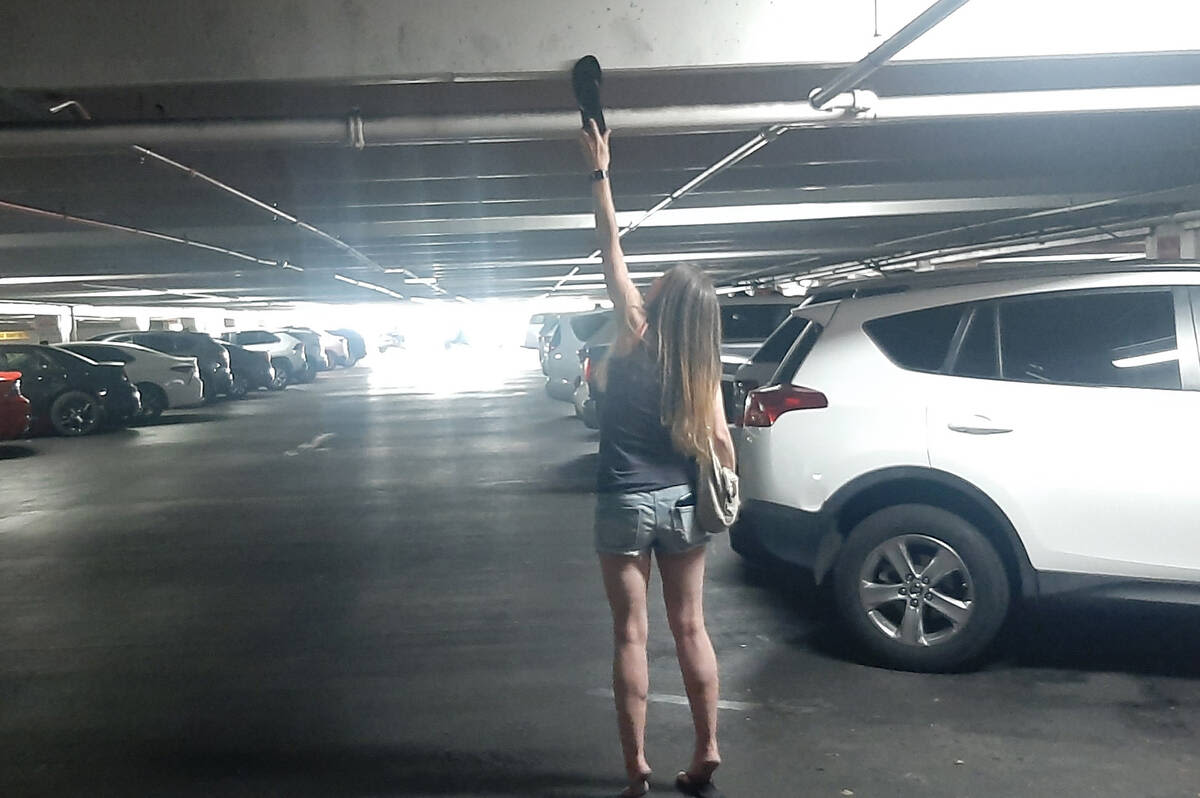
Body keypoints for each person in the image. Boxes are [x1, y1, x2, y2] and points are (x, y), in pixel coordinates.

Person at [581, 120, 735, 798]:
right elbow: (724, 448)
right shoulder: (704, 370)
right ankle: (706, 749)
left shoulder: (632, 332)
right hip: (680, 506)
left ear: (663, 299)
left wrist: (601, 169)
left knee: (630, 635)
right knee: (691, 626)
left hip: (622, 500)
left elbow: (610, 244)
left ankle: (637, 764)